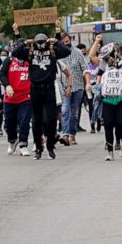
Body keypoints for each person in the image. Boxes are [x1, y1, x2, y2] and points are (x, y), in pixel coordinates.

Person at [11, 31, 71, 160]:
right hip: (35, 89)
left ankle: (50, 146)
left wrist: (57, 42)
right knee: (37, 121)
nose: (41, 46)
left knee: (51, 118)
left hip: (49, 88)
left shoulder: (52, 51)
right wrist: (25, 43)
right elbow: (15, 53)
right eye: (38, 43)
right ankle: (38, 147)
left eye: (42, 43)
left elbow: (67, 51)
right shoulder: (30, 51)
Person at [98, 44, 122, 161]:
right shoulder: (104, 65)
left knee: (121, 123)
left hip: (121, 97)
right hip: (108, 97)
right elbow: (99, 77)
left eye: (107, 57)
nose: (106, 60)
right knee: (108, 123)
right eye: (104, 58)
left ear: (113, 54)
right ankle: (110, 152)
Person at [0, 46, 32, 156]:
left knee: (24, 121)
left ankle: (23, 144)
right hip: (10, 97)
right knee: (9, 123)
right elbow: (1, 74)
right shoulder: (9, 61)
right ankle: (12, 141)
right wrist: (7, 85)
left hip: (26, 96)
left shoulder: (30, 61)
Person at [57, 32, 89, 145]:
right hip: (64, 87)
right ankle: (65, 134)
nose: (66, 44)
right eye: (63, 42)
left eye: (67, 41)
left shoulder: (78, 52)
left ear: (70, 40)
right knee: (65, 110)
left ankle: (72, 134)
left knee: (74, 112)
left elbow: (85, 68)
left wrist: (88, 83)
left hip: (78, 86)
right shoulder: (58, 53)